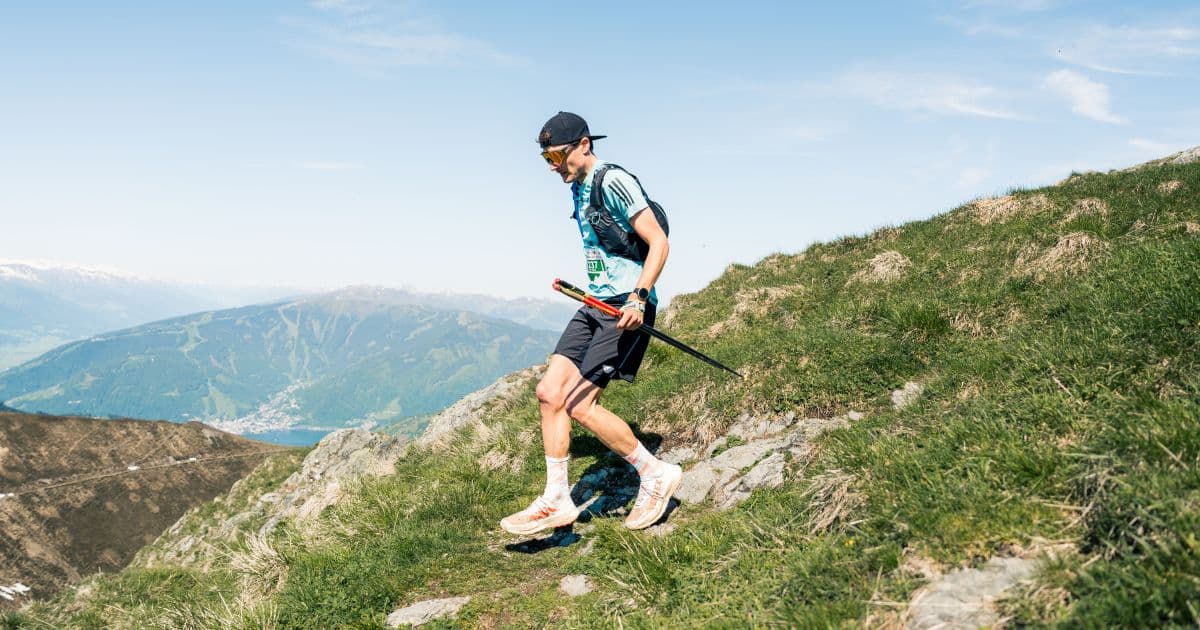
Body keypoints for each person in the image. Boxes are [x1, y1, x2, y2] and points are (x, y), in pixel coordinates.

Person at [501, 112, 682, 536]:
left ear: (583, 144)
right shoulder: (578, 187)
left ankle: (655, 473)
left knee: (581, 405)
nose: (552, 166)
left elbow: (659, 241)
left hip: (624, 307)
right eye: (546, 158)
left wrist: (639, 297)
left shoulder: (612, 180)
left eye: (556, 155)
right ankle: (557, 498)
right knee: (549, 394)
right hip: (593, 302)